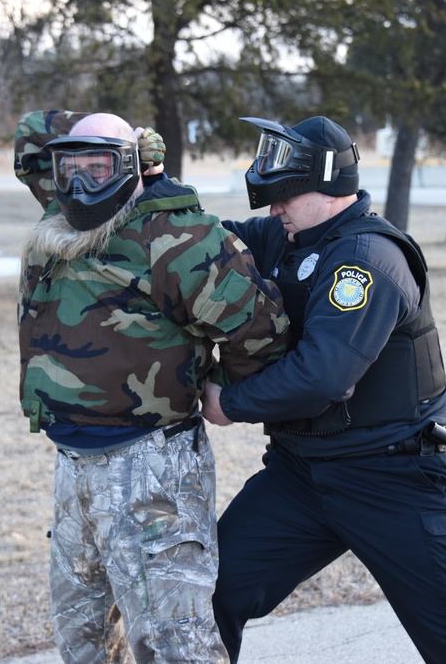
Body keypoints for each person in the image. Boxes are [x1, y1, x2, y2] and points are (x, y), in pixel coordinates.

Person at [201, 115, 446, 664]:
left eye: (285, 197)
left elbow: (322, 376)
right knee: (209, 596)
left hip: (392, 478)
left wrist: (227, 404)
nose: (272, 209)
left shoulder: (365, 259)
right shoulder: (288, 235)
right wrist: (146, 210)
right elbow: (209, 240)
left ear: (329, 192)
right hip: (302, 475)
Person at [16, 112, 288, 664]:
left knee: (173, 645)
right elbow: (29, 133)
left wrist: (221, 392)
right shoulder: (64, 213)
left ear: (135, 165)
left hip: (150, 466)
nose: (81, 182)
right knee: (83, 641)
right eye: (70, 167)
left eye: (101, 165)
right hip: (73, 463)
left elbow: (261, 331)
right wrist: (104, 130)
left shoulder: (179, 239)